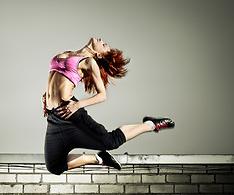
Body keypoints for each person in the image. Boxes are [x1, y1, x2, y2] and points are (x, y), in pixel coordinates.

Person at [42, 37, 174, 175]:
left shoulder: (89, 62)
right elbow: (57, 79)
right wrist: (46, 95)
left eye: (105, 45)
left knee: (111, 141)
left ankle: (151, 124)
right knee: (54, 166)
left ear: (99, 55)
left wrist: (78, 105)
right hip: (54, 116)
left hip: (71, 113)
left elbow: (102, 95)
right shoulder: (69, 53)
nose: (102, 41)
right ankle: (99, 158)